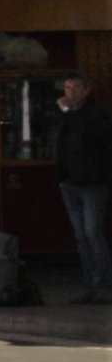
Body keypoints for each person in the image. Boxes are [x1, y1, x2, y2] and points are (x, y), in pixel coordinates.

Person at [54, 75, 112, 303]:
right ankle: (90, 284)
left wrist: (67, 112)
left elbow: (85, 136)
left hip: (93, 183)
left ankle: (103, 285)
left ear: (87, 90)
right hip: (70, 183)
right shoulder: (66, 116)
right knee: (81, 236)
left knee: (92, 232)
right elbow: (60, 143)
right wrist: (61, 178)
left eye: (76, 88)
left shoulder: (96, 114)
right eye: (67, 88)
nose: (70, 93)